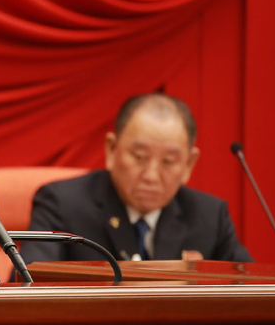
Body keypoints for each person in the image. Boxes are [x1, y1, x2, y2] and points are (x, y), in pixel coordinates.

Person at [23, 93, 252, 264]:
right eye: (139, 157)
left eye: (168, 162)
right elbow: (26, 286)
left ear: (188, 164)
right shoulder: (62, 205)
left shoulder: (209, 216)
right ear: (112, 150)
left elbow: (253, 291)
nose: (151, 176)